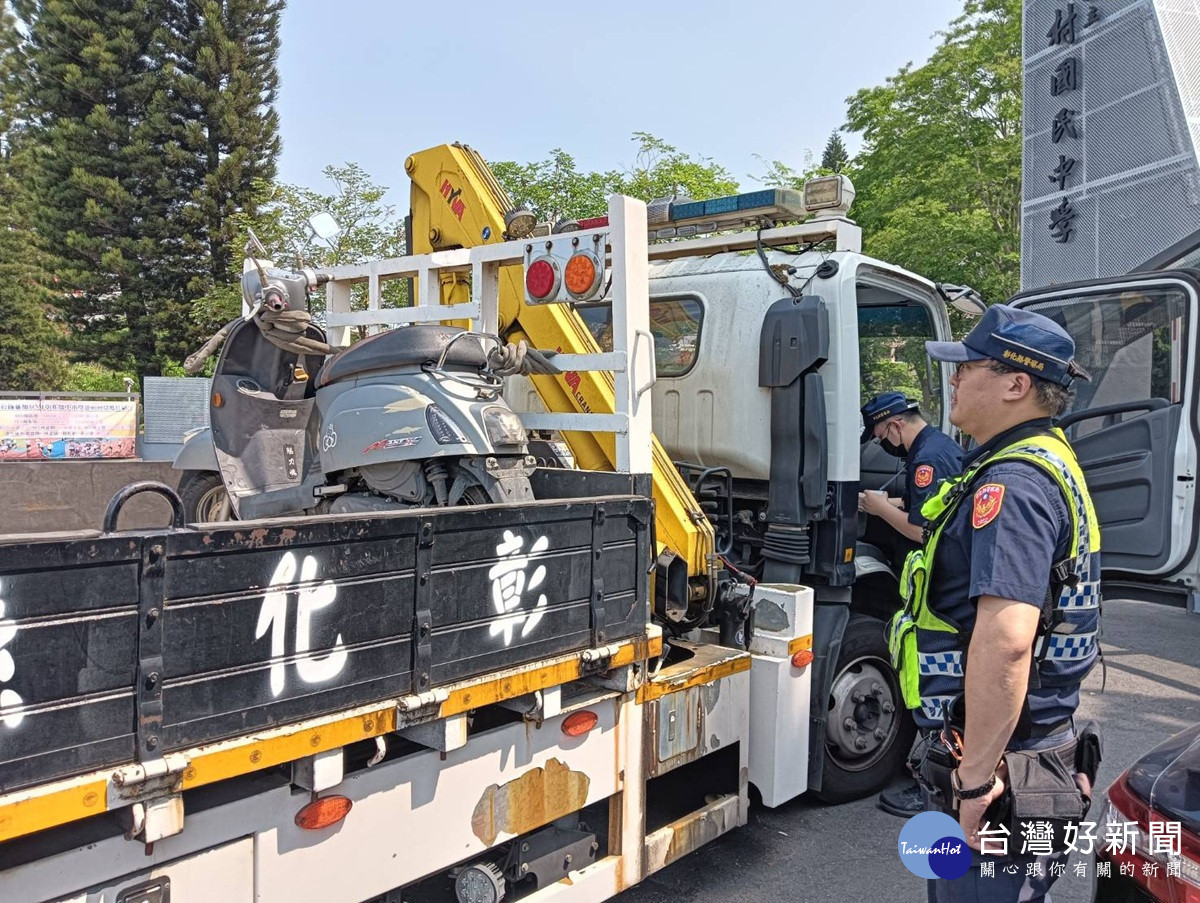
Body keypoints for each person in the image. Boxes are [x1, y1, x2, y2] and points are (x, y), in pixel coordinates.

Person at [888, 305, 1100, 902]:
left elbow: (1007, 643)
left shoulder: (1014, 485)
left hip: (1001, 761)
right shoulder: (1043, 458)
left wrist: (975, 782)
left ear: (1016, 384)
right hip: (1021, 743)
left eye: (968, 367)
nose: (954, 378)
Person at [858, 392, 964, 818]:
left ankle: (935, 789)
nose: (884, 443)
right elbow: (937, 507)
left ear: (896, 425)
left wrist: (881, 509)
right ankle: (939, 776)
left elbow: (924, 531)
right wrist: (896, 503)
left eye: (882, 435)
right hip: (948, 587)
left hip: (939, 593)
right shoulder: (939, 447)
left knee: (935, 688)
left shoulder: (927, 460)